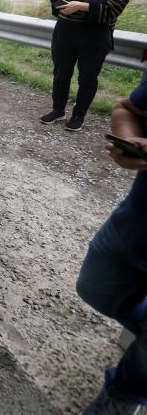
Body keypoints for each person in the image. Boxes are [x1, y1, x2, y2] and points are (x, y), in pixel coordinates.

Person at [76, 76, 147, 414]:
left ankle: (126, 393)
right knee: (93, 287)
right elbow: (128, 108)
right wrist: (129, 140)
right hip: (136, 222)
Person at [41, 0, 132, 131]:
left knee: (88, 78)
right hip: (66, 31)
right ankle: (58, 110)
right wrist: (62, 8)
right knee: (61, 74)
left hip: (96, 35)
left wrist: (81, 6)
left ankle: (78, 116)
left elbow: (114, 9)